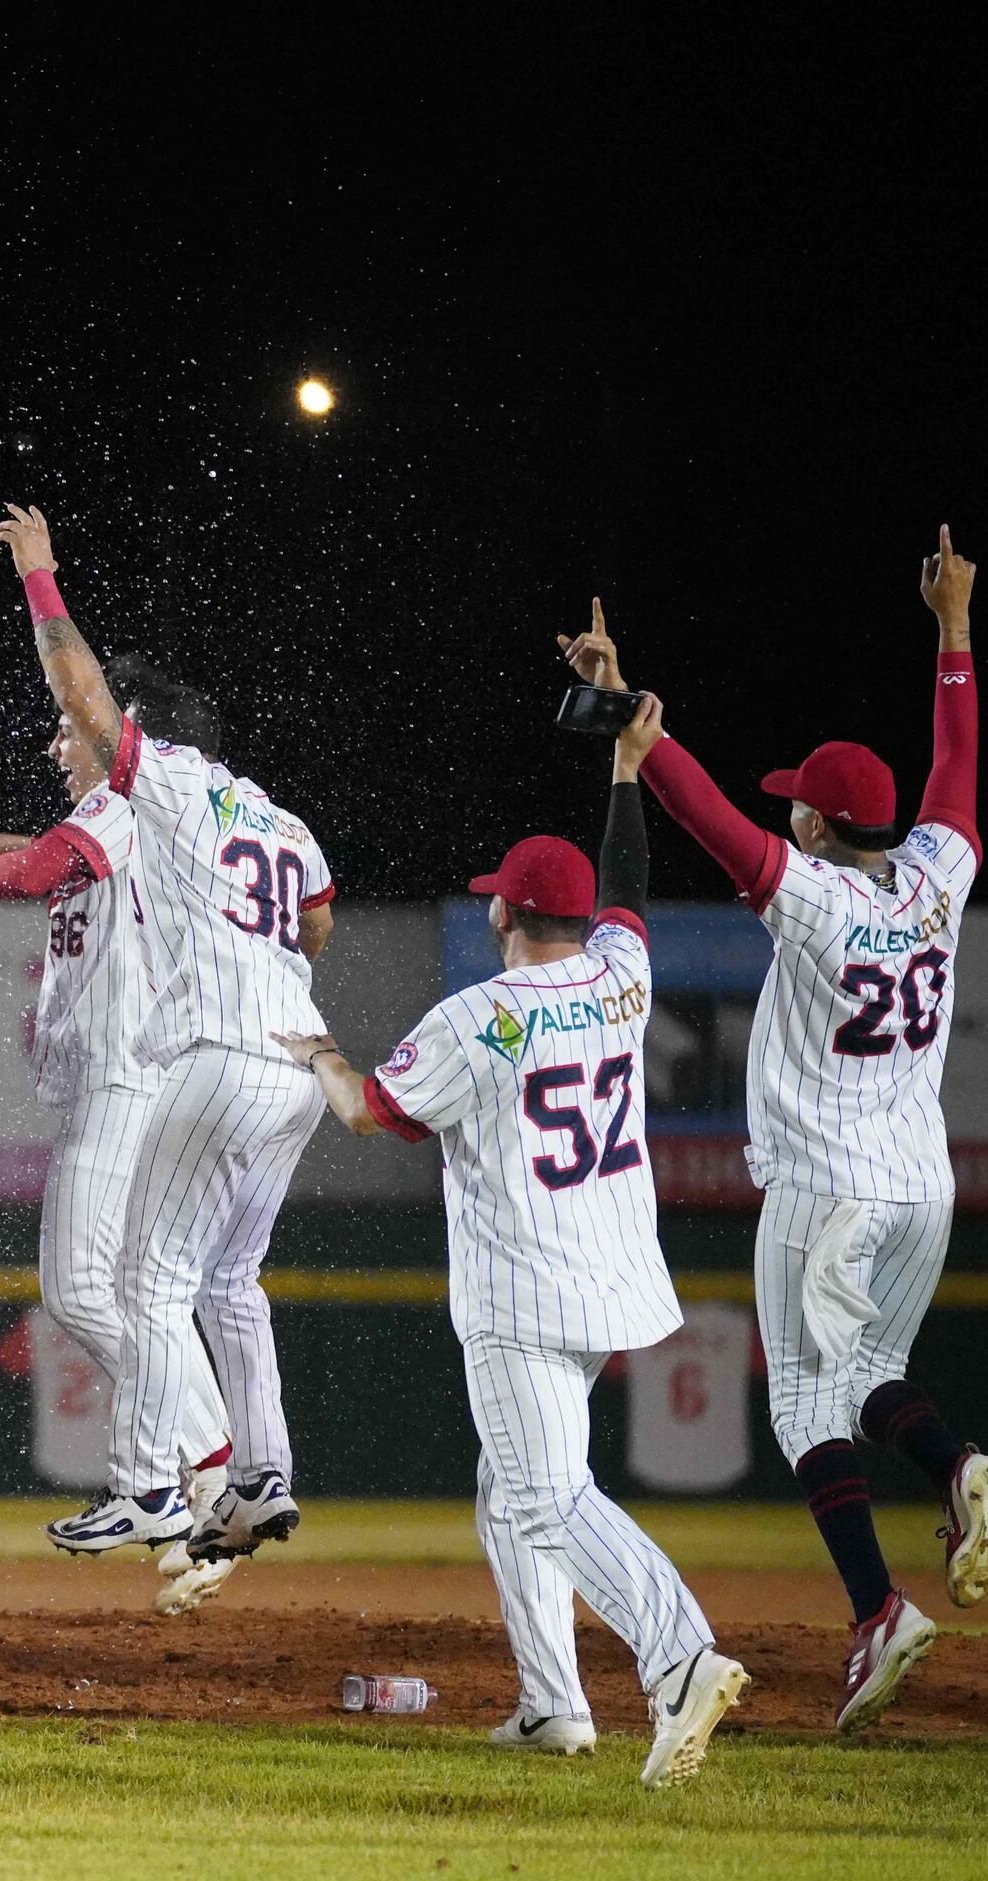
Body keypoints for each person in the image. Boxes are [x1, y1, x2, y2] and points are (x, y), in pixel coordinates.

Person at [271, 698, 749, 1789]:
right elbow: (625, 886)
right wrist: (626, 771)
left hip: (524, 1292)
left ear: (507, 916)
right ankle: (552, 1706)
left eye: (497, 902)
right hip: (610, 1272)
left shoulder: (482, 1015)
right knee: (512, 1484)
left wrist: (318, 1052)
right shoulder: (622, 976)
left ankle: (681, 1659)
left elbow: (369, 1113)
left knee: (545, 1496)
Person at [612, 529, 988, 1730]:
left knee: (800, 1408)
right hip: (917, 1186)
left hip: (824, 1188)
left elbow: (721, 829)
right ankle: (953, 1466)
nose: (789, 816)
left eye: (803, 808)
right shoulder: (938, 872)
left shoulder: (822, 900)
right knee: (872, 1372)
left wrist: (646, 739)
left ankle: (879, 1613)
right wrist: (954, 633)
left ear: (827, 829)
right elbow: (955, 771)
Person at [0, 504, 335, 1565]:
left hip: (221, 1058)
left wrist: (42, 579)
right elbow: (316, 919)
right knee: (232, 1284)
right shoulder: (280, 815)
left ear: (155, 735)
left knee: (145, 1280)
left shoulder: (174, 784)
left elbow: (83, 696)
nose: (96, 737)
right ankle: (261, 1475)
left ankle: (148, 1488)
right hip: (302, 1063)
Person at [0, 675, 241, 1617]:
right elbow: (45, 857)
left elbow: (39, 873)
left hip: (125, 1080)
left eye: (68, 733)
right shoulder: (118, 820)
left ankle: (196, 1467)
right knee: (125, 1294)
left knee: (79, 1288)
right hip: (117, 1078)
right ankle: (208, 1477)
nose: (55, 748)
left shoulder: (130, 806)